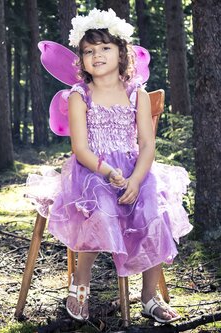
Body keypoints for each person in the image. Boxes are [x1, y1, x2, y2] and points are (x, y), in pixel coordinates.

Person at [26, 9, 192, 323]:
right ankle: (80, 283)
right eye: (89, 51)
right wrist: (108, 172)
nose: (97, 55)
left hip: (135, 170)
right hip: (93, 170)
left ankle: (148, 296)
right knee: (97, 208)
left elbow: (146, 145)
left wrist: (135, 179)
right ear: (81, 60)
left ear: (121, 53)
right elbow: (80, 148)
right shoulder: (79, 96)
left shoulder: (136, 94)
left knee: (154, 212)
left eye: (105, 48)